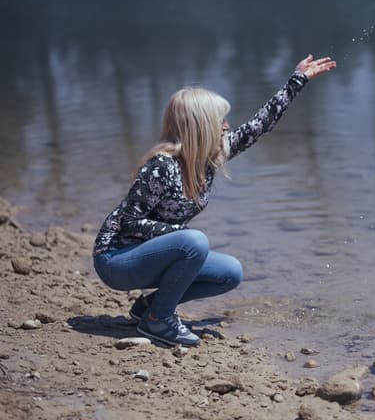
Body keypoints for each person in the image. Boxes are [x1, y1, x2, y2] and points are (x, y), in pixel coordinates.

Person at [93, 54, 336, 346]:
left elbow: (258, 127)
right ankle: (159, 322)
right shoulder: (161, 165)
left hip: (151, 255)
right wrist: (180, 236)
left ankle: (150, 309)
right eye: (219, 120)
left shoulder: (209, 158)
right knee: (194, 242)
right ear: (199, 127)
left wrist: (297, 80)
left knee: (229, 272)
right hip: (117, 259)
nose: (226, 126)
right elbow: (129, 222)